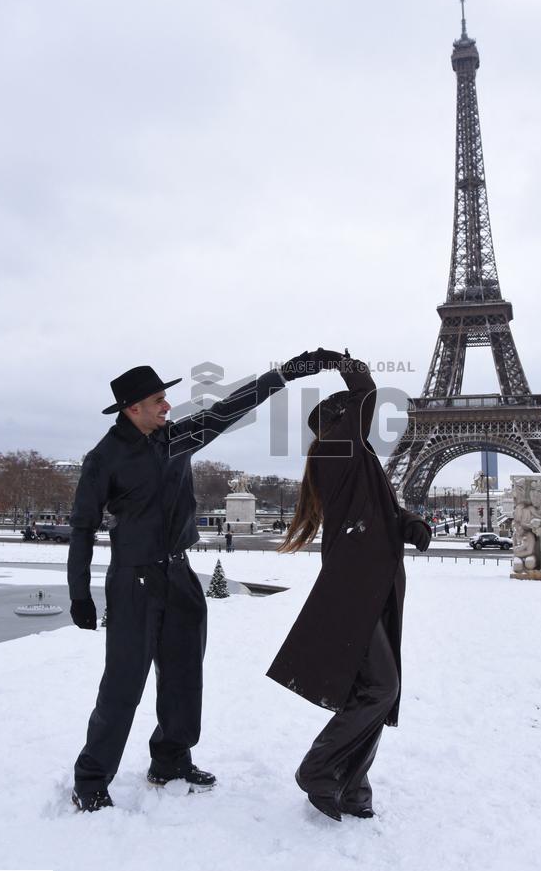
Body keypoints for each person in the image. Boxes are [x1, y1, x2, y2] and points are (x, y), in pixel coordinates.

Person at [68, 352, 325, 812]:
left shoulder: (178, 438)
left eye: (166, 398)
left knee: (185, 674)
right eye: (158, 399)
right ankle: (90, 778)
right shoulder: (103, 458)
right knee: (123, 685)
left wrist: (285, 372)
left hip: (181, 575)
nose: (168, 406)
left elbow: (229, 409)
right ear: (133, 408)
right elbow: (83, 528)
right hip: (134, 579)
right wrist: (80, 595)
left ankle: (170, 759)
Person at [267, 351, 431, 821]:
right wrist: (337, 360)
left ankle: (354, 783)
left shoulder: (356, 458)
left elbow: (378, 512)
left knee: (374, 690)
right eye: (352, 412)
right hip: (354, 586)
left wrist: (409, 522)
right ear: (338, 421)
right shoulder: (336, 448)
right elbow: (367, 393)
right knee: (381, 687)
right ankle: (319, 769)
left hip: (373, 581)